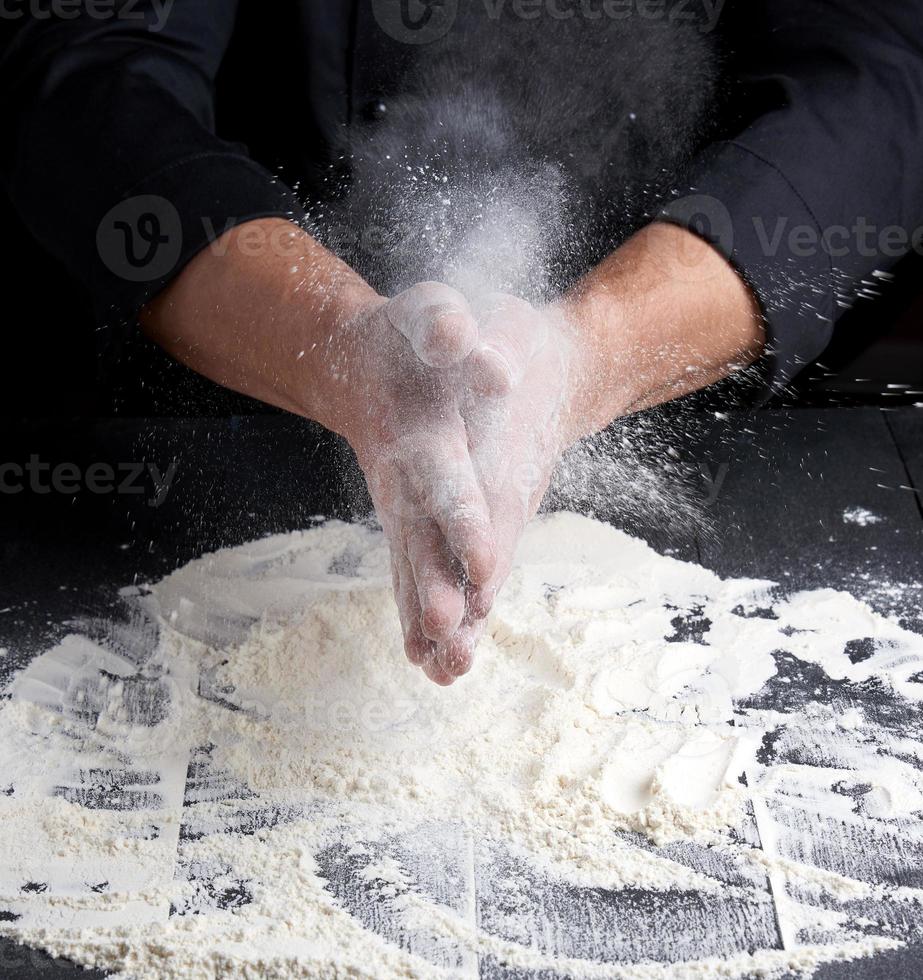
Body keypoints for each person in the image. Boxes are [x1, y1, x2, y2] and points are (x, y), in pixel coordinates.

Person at [2, 1, 921, 685]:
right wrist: (341, 345)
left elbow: (878, 80)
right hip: (231, 402)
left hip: (689, 394)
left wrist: (581, 359)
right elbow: (89, 70)